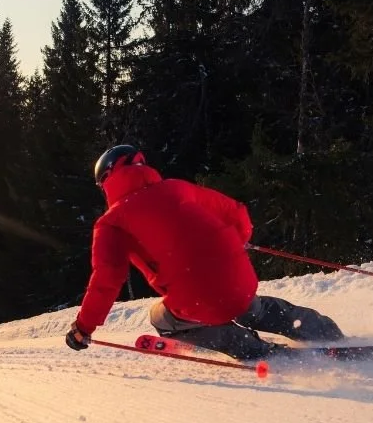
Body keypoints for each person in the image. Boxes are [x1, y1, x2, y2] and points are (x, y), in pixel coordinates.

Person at [64, 144, 345, 360]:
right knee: (249, 306)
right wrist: (237, 241)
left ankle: (252, 348)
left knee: (160, 318)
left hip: (194, 299)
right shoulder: (177, 188)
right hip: (238, 278)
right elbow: (237, 213)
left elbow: (107, 279)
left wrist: (83, 328)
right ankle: (322, 330)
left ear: (107, 179)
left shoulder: (110, 223)